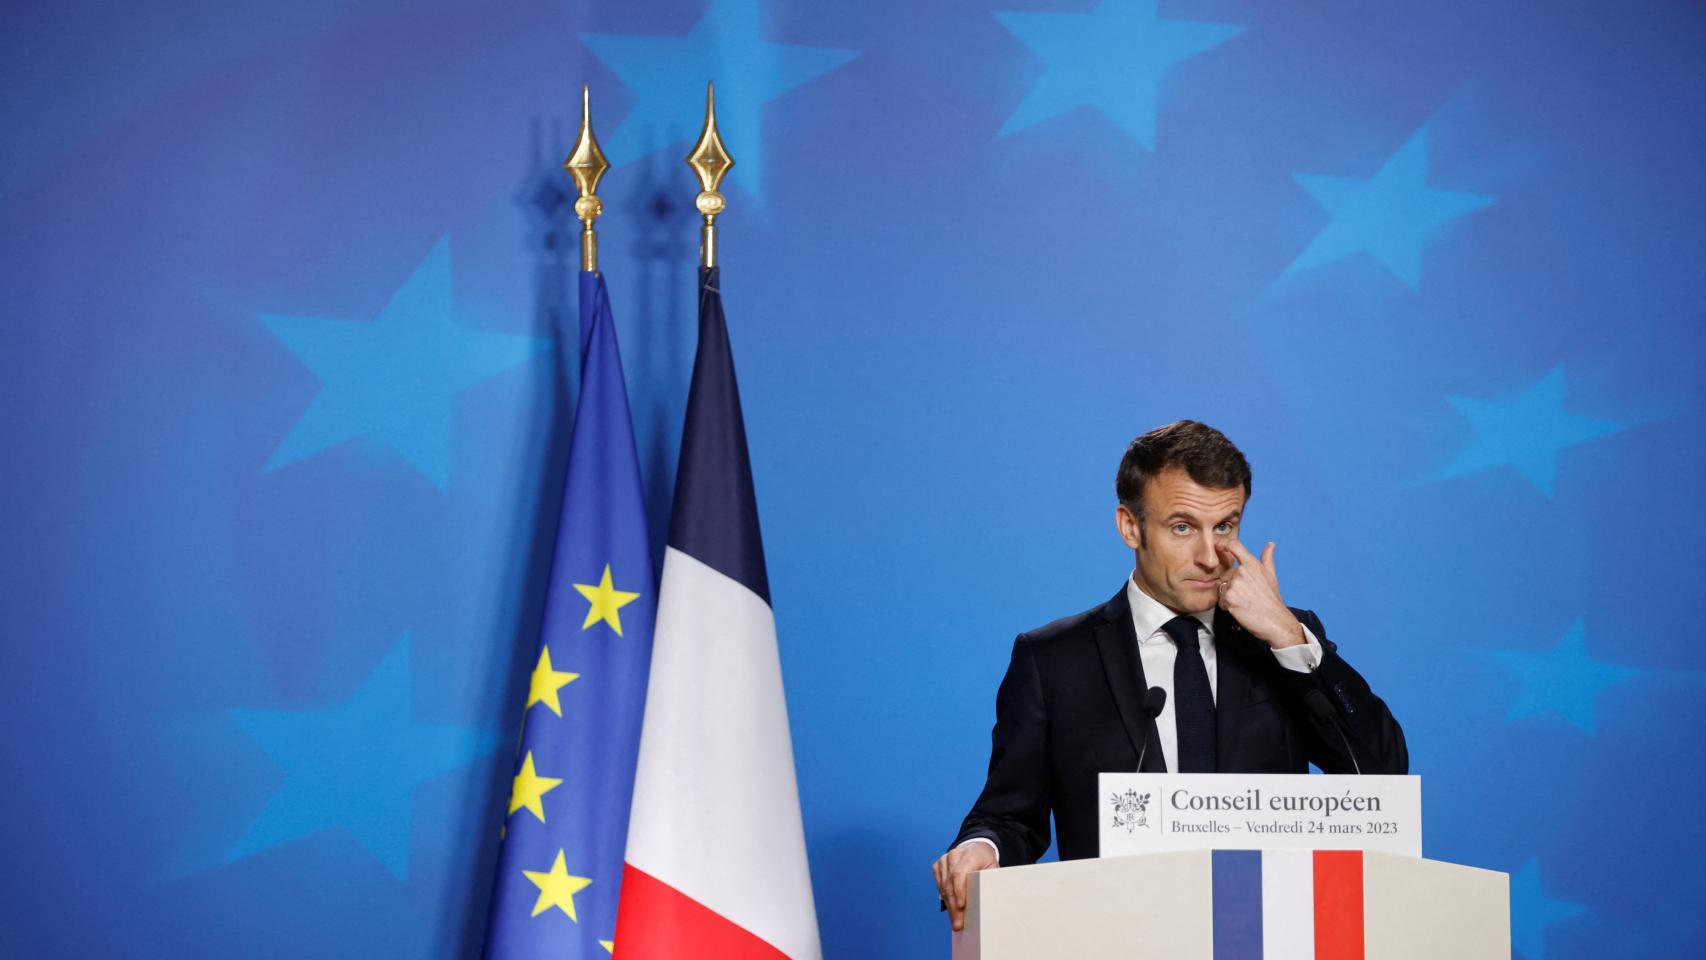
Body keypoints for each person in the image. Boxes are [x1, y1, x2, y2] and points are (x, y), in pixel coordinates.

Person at [931, 420, 1407, 932]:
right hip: (1117, 935)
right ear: (1129, 526)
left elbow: (1381, 777)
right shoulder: (1052, 660)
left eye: (1225, 526)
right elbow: (1010, 814)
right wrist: (982, 848)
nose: (1209, 556)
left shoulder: (1284, 639)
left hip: (1266, 935)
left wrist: (1288, 636)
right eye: (1182, 527)